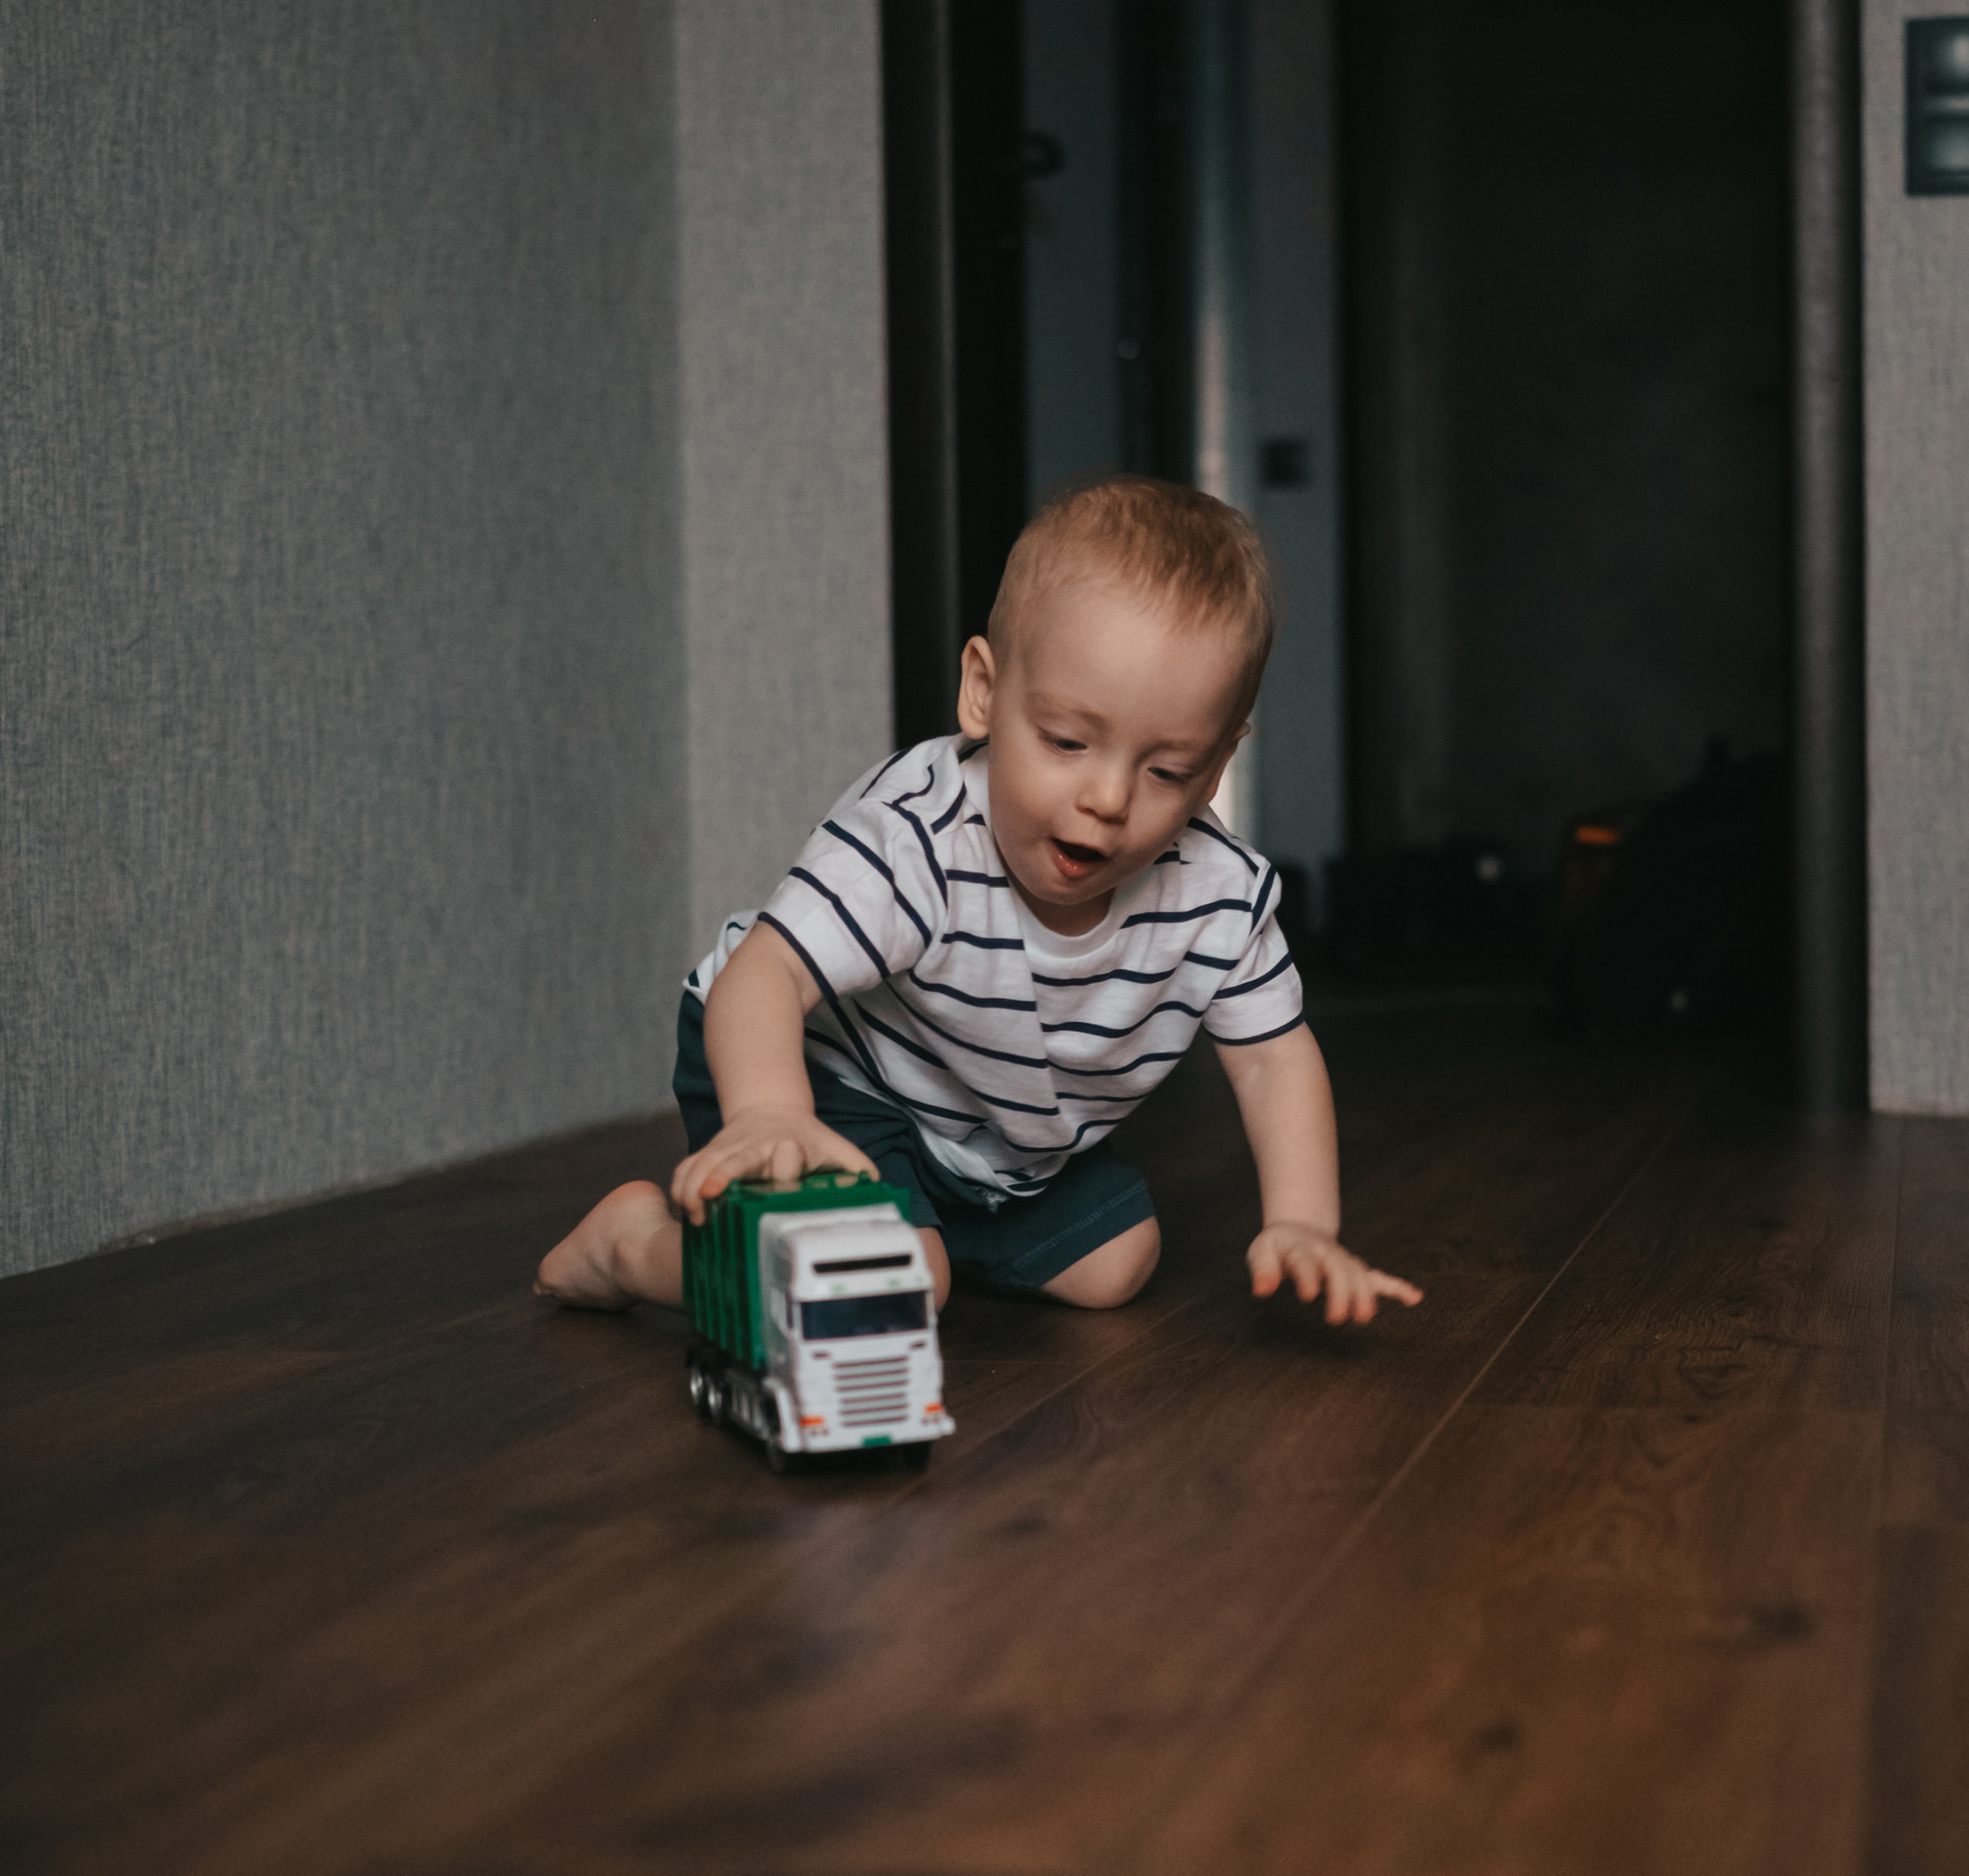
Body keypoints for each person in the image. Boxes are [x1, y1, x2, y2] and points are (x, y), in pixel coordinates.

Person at [536, 476, 1420, 1328]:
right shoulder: (918, 838)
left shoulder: (1216, 896)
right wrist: (773, 1113)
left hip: (988, 1134)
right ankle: (636, 1249)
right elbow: (764, 975)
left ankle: (911, 1220)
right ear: (984, 693)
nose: (1108, 799)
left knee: (1117, 1264)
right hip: (824, 1070)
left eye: (1166, 771)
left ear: (1219, 765)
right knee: (880, 1290)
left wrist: (1304, 1220)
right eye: (1067, 741)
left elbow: (1272, 1061)